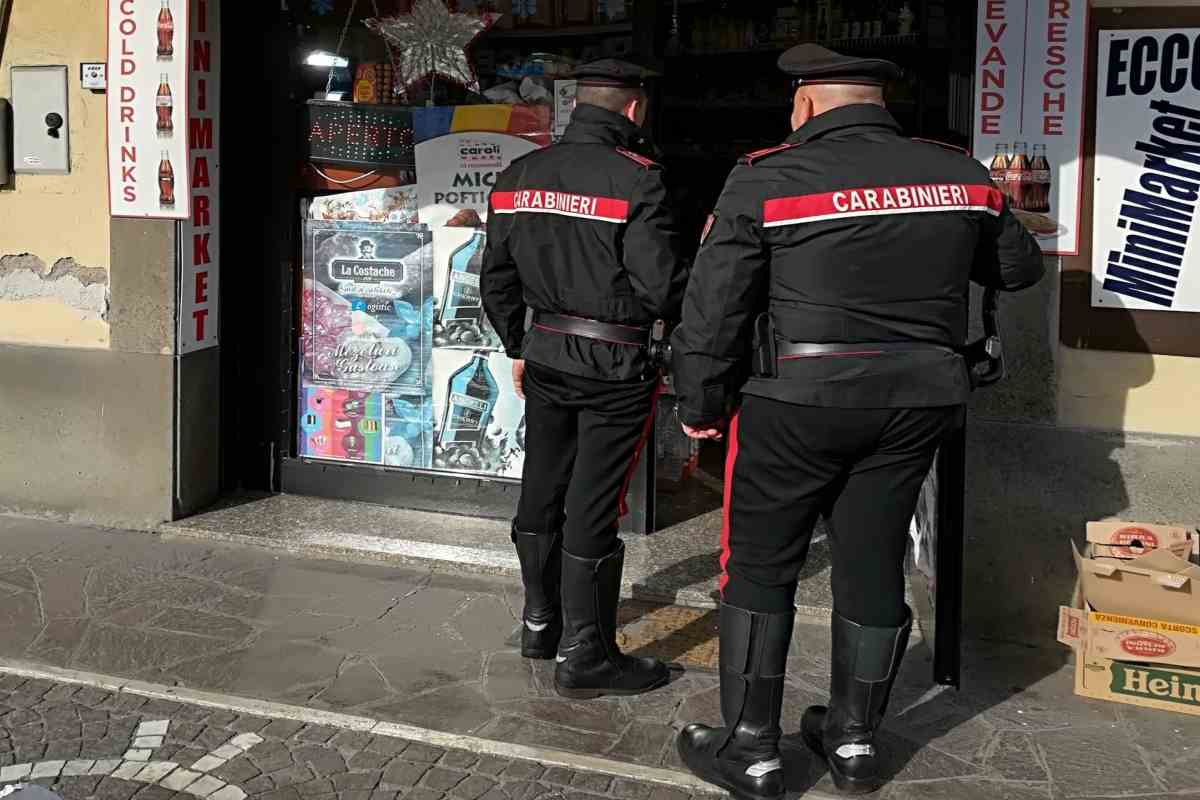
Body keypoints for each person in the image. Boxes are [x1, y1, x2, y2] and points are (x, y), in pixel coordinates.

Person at [671, 44, 1044, 798]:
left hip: (796, 399)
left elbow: (714, 306)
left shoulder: (767, 176)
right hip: (917, 401)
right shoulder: (958, 172)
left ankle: (752, 749)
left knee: (760, 565)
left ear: (806, 103)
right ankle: (854, 743)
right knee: (873, 559)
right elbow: (1018, 268)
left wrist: (700, 404)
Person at [481, 58, 689, 699]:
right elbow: (660, 288)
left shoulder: (519, 176)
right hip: (616, 364)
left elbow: (496, 279)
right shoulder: (638, 182)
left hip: (545, 357)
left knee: (542, 484)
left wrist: (522, 341)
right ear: (634, 111)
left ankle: (539, 623)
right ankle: (586, 654)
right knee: (593, 502)